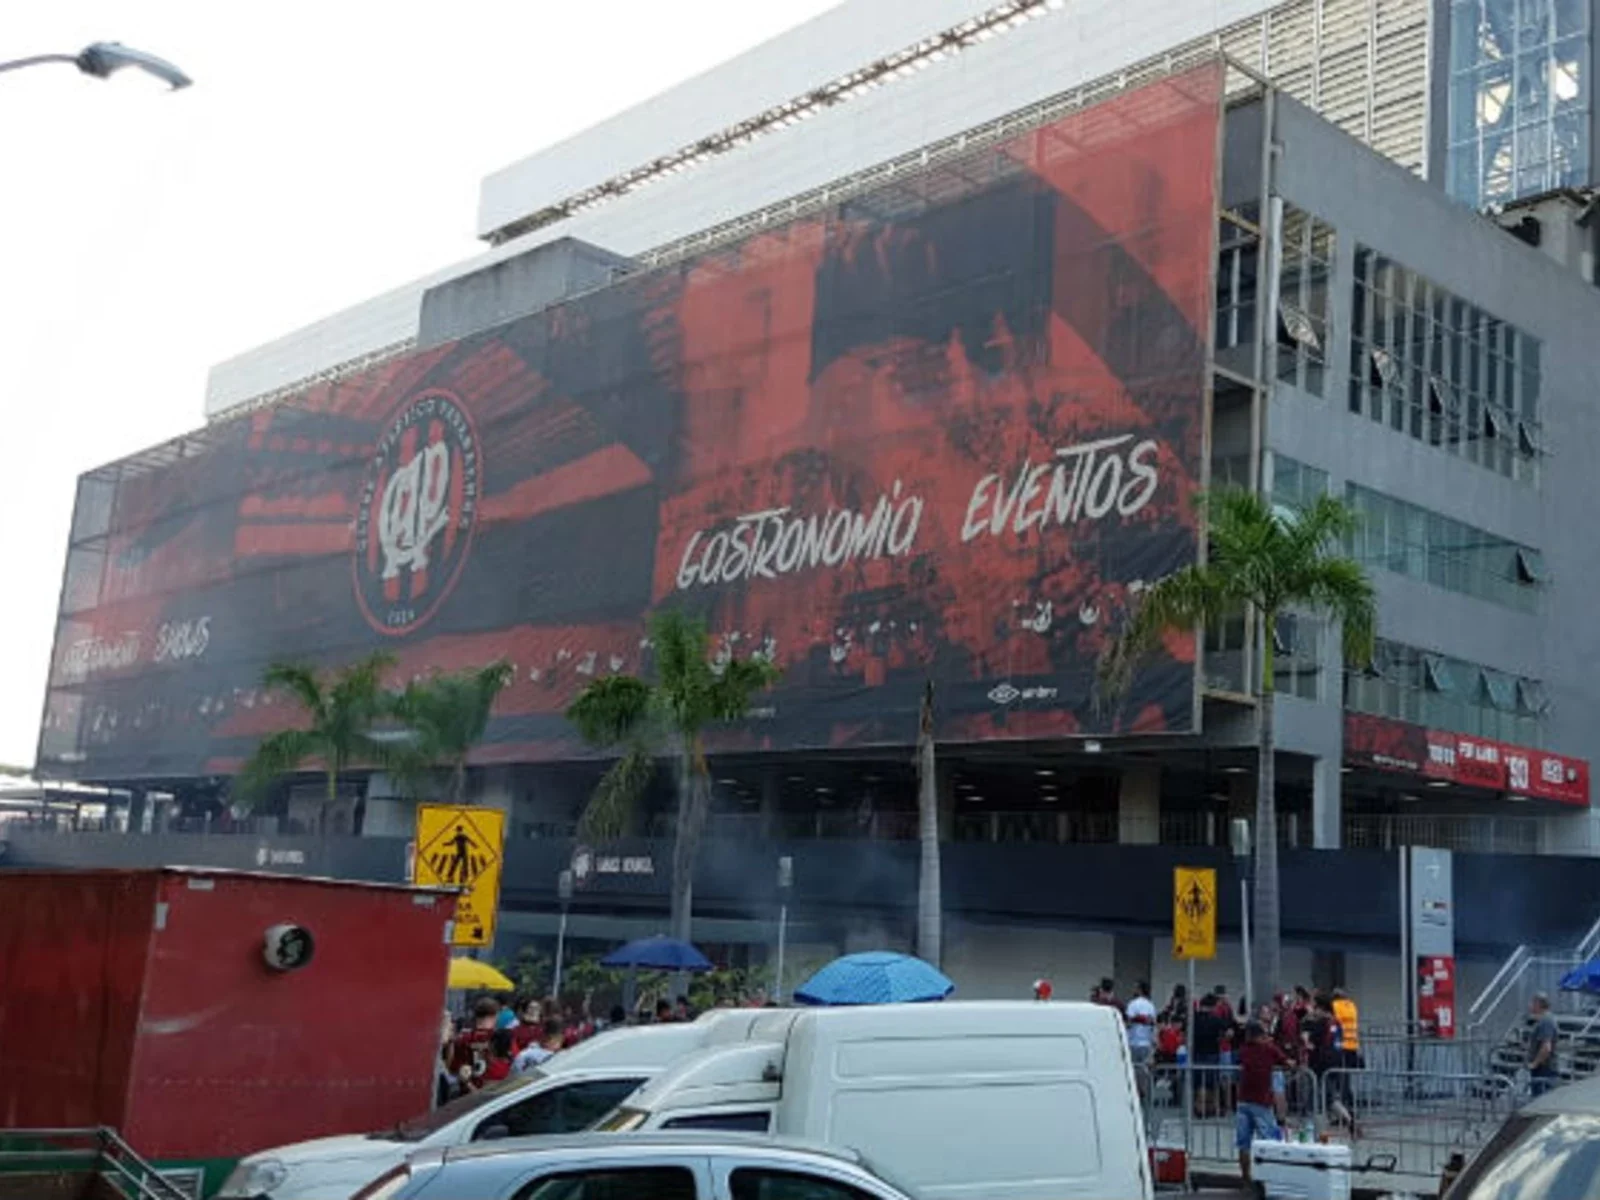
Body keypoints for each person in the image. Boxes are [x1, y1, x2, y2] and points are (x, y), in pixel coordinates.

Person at [1235, 1021, 1290, 1185]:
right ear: (1262, 1035)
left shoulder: (1244, 1050)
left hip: (1243, 1100)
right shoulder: (1269, 1049)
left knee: (1243, 1143)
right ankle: (1269, 1178)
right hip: (1261, 1101)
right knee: (1269, 1140)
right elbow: (1287, 1063)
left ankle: (1246, 1177)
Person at [447, 997, 502, 1092]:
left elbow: (453, 1068)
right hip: (495, 1092)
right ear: (495, 1016)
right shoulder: (500, 1037)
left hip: (468, 1093)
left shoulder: (463, 1039)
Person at [1527, 992, 1560, 1096]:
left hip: (1544, 1069)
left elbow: (1546, 1047)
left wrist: (1535, 1064)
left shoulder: (1546, 1021)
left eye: (1532, 1002)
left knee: (1541, 1099)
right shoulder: (1543, 1020)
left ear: (1538, 1004)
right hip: (1543, 1069)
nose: (1529, 1005)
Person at [1125, 981, 1157, 1069]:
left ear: (1140, 990)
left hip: (1133, 1041)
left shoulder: (1133, 1004)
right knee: (1144, 1069)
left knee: (1133, 1068)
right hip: (1146, 1042)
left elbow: (1129, 1021)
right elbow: (1153, 1023)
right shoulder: (1151, 1006)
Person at [1331, 988, 1362, 1071]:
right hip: (1353, 1042)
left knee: (1339, 1071)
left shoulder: (1335, 1005)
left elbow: (1334, 1022)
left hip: (1341, 1042)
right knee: (1348, 1070)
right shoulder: (1352, 1005)